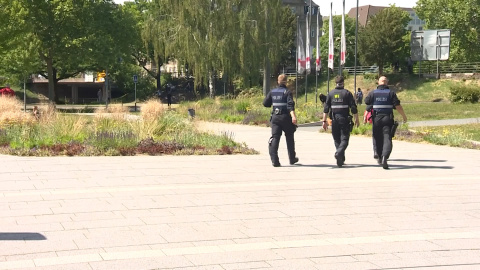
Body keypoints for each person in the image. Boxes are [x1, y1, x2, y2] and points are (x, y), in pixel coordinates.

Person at [364, 76, 407, 169]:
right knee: (387, 137)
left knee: (377, 137)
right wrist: (404, 116)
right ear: (387, 83)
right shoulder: (391, 93)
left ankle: (379, 156)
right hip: (387, 118)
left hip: (376, 119)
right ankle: (385, 157)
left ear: (378, 83)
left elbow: (367, 102)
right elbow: (398, 106)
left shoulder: (373, 93)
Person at [322, 76, 359, 167]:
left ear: (335, 83)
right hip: (344, 119)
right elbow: (353, 108)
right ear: (343, 83)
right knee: (345, 139)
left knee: (336, 139)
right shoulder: (347, 93)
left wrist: (324, 121)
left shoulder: (330, 94)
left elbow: (326, 109)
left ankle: (341, 159)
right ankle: (339, 153)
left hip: (334, 120)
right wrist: (356, 119)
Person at [263, 74, 298, 167]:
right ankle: (292, 158)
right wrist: (293, 117)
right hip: (285, 117)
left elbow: (265, 103)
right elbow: (290, 105)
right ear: (286, 82)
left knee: (275, 137)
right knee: (289, 137)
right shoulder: (287, 92)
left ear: (278, 81)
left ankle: (275, 160)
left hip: (275, 117)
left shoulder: (272, 92)